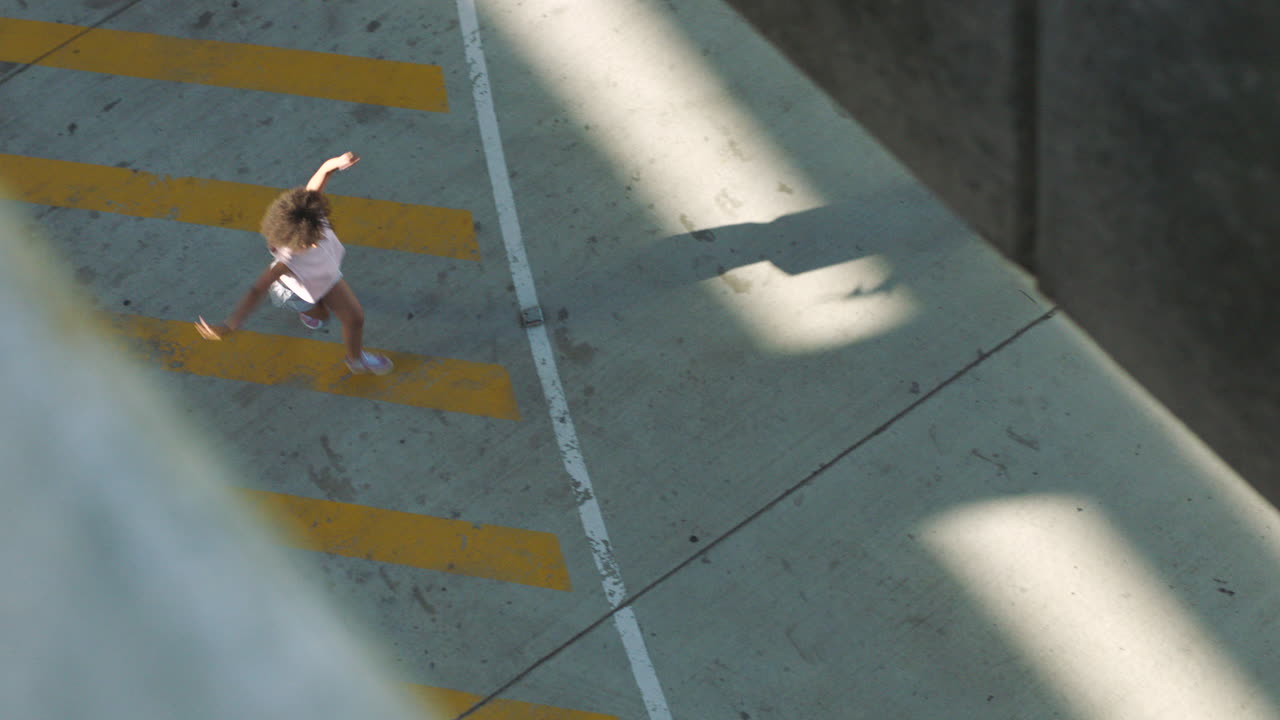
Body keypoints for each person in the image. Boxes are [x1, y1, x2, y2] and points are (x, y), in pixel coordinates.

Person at [195, 152, 393, 375]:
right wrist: (229, 325)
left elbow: (323, 171)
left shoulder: (309, 212)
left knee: (355, 318)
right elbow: (256, 290)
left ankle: (355, 361)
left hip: (325, 277)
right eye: (310, 244)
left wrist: (338, 163)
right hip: (296, 291)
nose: (317, 244)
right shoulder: (287, 261)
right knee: (322, 316)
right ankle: (308, 311)